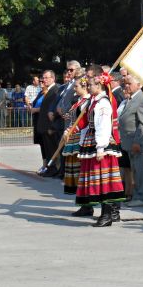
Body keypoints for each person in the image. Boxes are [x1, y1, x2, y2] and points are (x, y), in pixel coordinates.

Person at [75, 75, 125, 226]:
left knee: (105, 180)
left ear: (99, 86)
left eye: (90, 85)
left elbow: (103, 126)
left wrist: (101, 147)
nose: (88, 87)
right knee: (99, 179)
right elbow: (88, 124)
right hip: (94, 141)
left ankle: (107, 215)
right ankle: (105, 214)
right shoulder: (94, 101)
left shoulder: (103, 103)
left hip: (101, 144)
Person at [118, 73, 143, 206]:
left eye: (129, 83)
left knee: (140, 170)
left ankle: (142, 197)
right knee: (135, 170)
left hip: (138, 141)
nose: (126, 86)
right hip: (129, 141)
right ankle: (137, 195)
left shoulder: (142, 99)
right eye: (125, 83)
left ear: (139, 85)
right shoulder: (131, 98)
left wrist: (138, 141)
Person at [64, 78, 91, 209]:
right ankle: (82, 204)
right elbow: (73, 118)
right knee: (75, 173)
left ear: (84, 86)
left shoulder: (88, 101)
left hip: (81, 138)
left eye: (76, 86)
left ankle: (86, 205)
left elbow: (83, 122)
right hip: (73, 138)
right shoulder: (79, 101)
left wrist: (70, 129)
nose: (74, 89)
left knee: (81, 172)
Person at [36, 70, 61, 176]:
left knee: (51, 149)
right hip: (44, 126)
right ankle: (49, 168)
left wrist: (52, 127)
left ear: (53, 78)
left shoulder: (56, 90)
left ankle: (53, 169)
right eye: (43, 77)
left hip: (49, 126)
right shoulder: (48, 90)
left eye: (46, 78)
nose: (44, 80)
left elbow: (54, 110)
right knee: (47, 149)